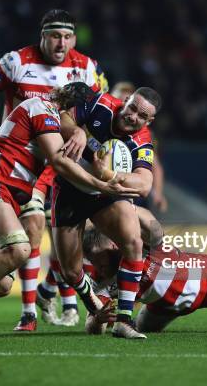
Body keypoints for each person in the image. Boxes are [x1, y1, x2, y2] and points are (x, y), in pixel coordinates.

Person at [0, 82, 139, 341]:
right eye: (84, 115)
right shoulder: (41, 109)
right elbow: (59, 161)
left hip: (4, 195)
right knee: (20, 249)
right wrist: (102, 185)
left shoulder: (51, 116)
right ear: (75, 109)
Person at [0, 9, 105, 330]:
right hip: (21, 164)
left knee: (69, 237)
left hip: (60, 161)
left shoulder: (85, 66)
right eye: (55, 36)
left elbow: (96, 114)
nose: (61, 43)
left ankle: (51, 298)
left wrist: (84, 132)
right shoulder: (16, 61)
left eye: (67, 37)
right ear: (42, 36)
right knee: (21, 239)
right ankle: (29, 311)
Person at [52, 86, 162, 339]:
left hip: (104, 193)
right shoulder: (100, 104)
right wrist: (76, 130)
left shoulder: (142, 140)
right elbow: (61, 116)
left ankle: (124, 320)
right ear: (125, 101)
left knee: (133, 241)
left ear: (149, 121)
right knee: (70, 272)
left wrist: (108, 174)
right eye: (132, 108)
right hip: (70, 189)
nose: (134, 116)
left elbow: (144, 184)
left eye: (142, 116)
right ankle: (95, 307)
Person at [111, 81, 167, 213]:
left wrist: (157, 193)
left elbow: (155, 165)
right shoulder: (99, 119)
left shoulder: (145, 137)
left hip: (128, 192)